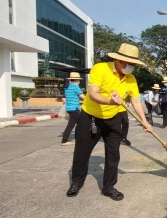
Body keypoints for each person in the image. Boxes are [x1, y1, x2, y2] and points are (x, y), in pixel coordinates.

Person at [66, 43, 153, 201]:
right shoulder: (100, 69)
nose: (132, 67)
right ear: (120, 61)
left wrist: (144, 121)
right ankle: (76, 182)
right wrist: (110, 102)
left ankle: (109, 187)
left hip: (113, 119)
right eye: (130, 64)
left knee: (113, 154)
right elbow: (92, 94)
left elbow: (135, 101)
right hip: (90, 117)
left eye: (134, 64)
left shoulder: (130, 78)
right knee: (82, 153)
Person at [61, 72, 86, 146]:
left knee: (81, 123)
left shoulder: (67, 86)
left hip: (69, 108)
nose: (79, 81)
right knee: (71, 125)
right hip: (74, 108)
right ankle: (64, 141)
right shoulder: (75, 87)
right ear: (76, 80)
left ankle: (81, 138)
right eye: (78, 80)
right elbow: (83, 97)